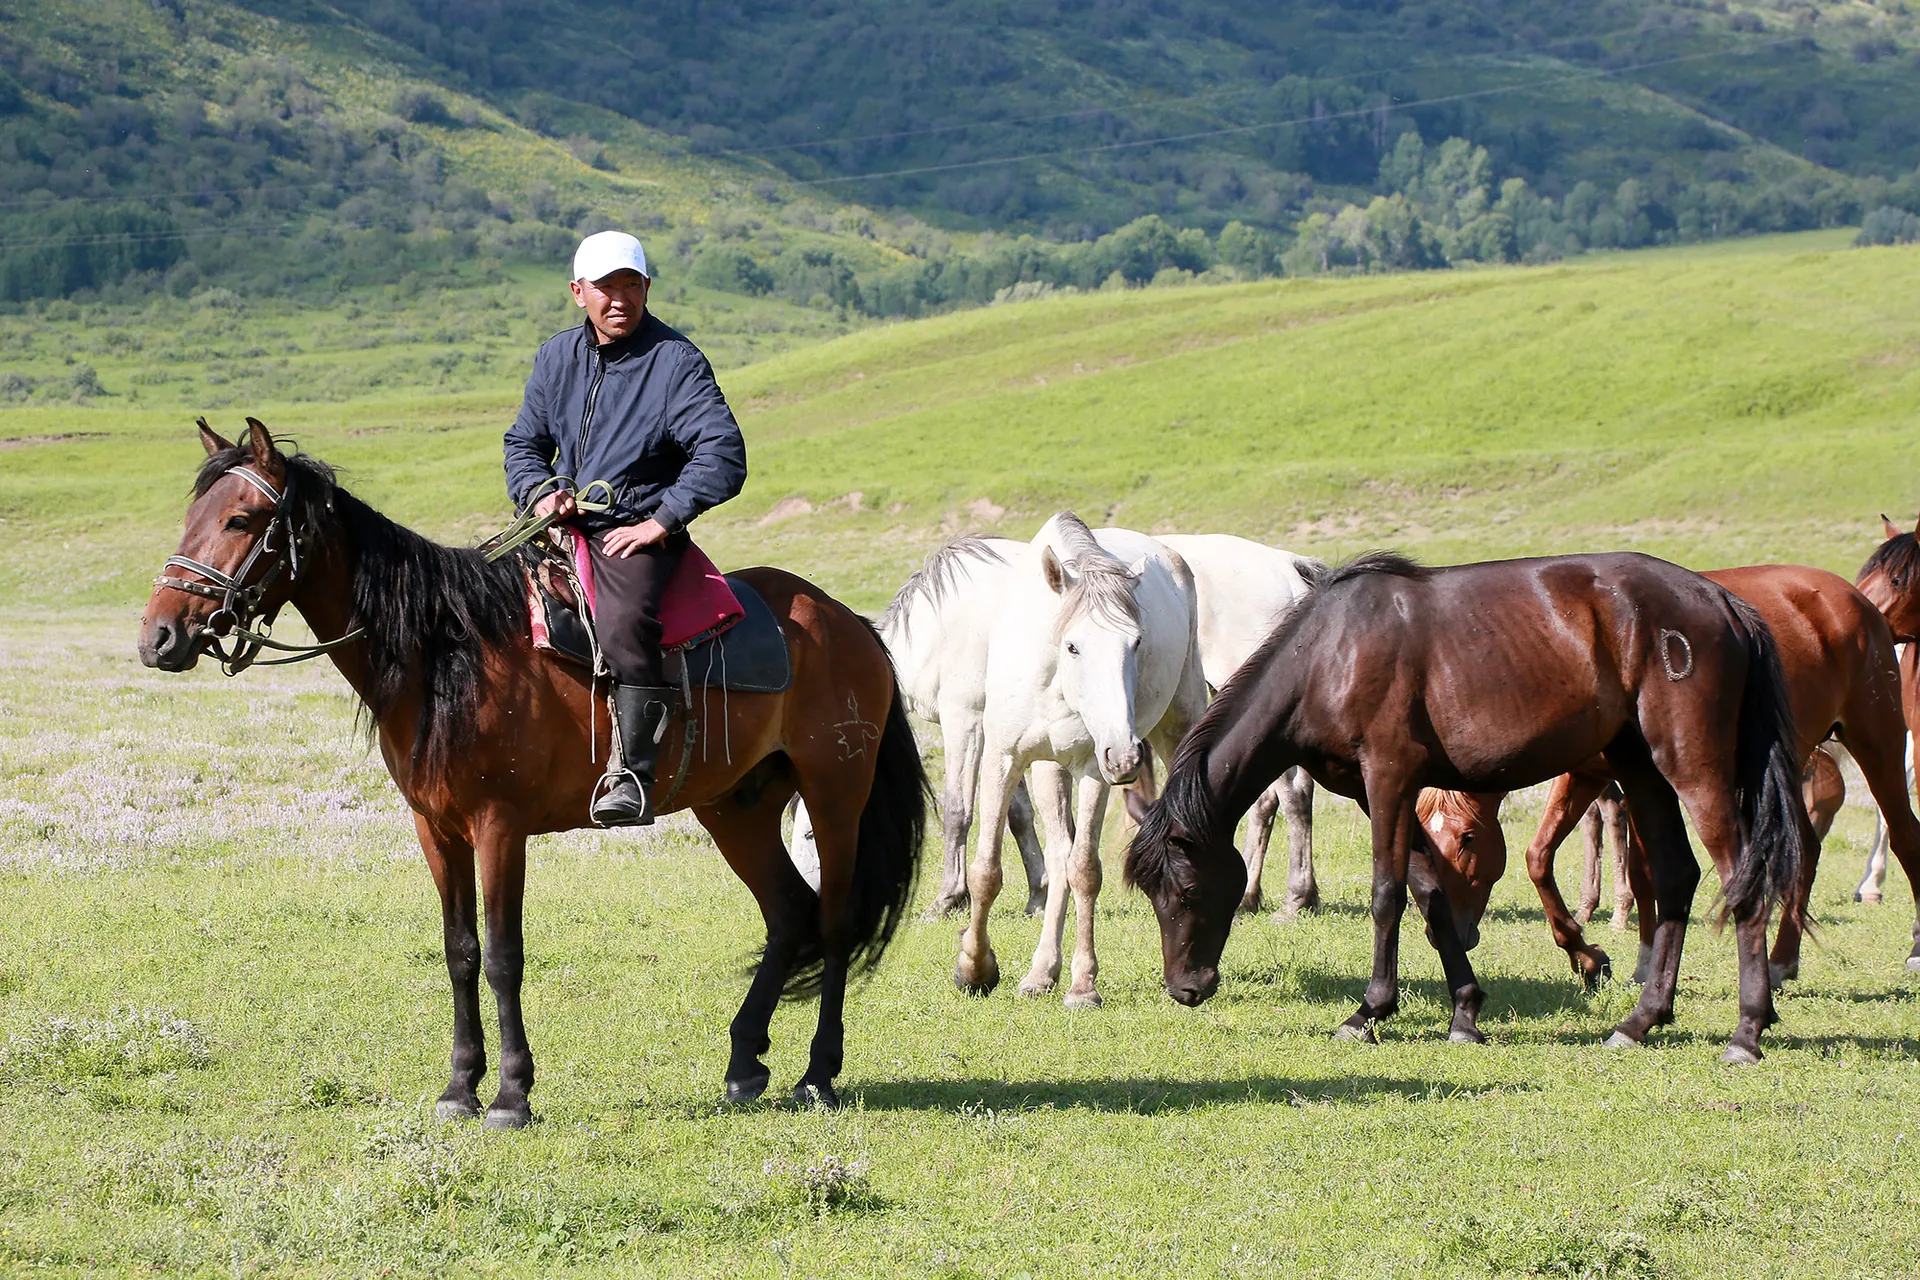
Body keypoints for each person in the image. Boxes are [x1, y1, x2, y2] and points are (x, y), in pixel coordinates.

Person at [504, 230, 748, 826]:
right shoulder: (556, 356)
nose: (619, 300)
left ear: (647, 288)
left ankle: (634, 775)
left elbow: (722, 453)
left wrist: (660, 522)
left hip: (633, 531)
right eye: (605, 288)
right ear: (577, 292)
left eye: (631, 286)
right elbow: (524, 444)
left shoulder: (676, 362)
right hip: (560, 524)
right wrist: (541, 495)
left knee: (621, 621)